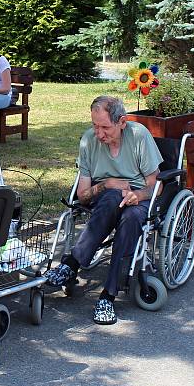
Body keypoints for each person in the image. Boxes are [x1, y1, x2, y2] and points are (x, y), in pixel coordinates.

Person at [44, 96, 162, 326]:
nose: (99, 134)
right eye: (95, 126)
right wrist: (106, 184)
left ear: (122, 122)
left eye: (105, 127)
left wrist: (137, 195)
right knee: (110, 198)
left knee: (131, 219)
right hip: (104, 198)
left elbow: (156, 185)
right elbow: (83, 195)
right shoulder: (89, 140)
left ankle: (107, 294)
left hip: (138, 198)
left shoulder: (138, 136)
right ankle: (73, 265)